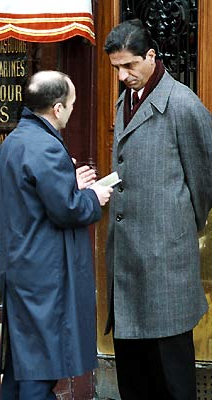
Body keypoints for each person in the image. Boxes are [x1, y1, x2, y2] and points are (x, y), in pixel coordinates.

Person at [103, 19, 212, 399]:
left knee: (172, 380)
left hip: (166, 265)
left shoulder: (183, 104)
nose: (122, 75)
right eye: (116, 68)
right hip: (127, 262)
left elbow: (203, 183)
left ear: (151, 56)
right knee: (134, 377)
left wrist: (176, 229)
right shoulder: (124, 101)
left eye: (130, 65)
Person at [0, 71, 112, 399]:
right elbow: (67, 210)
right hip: (43, 273)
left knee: (21, 366)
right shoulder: (47, 146)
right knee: (40, 370)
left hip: (20, 267)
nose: (73, 111)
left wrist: (67, 183)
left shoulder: (15, 141)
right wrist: (93, 197)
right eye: (72, 104)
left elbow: (33, 196)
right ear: (57, 108)